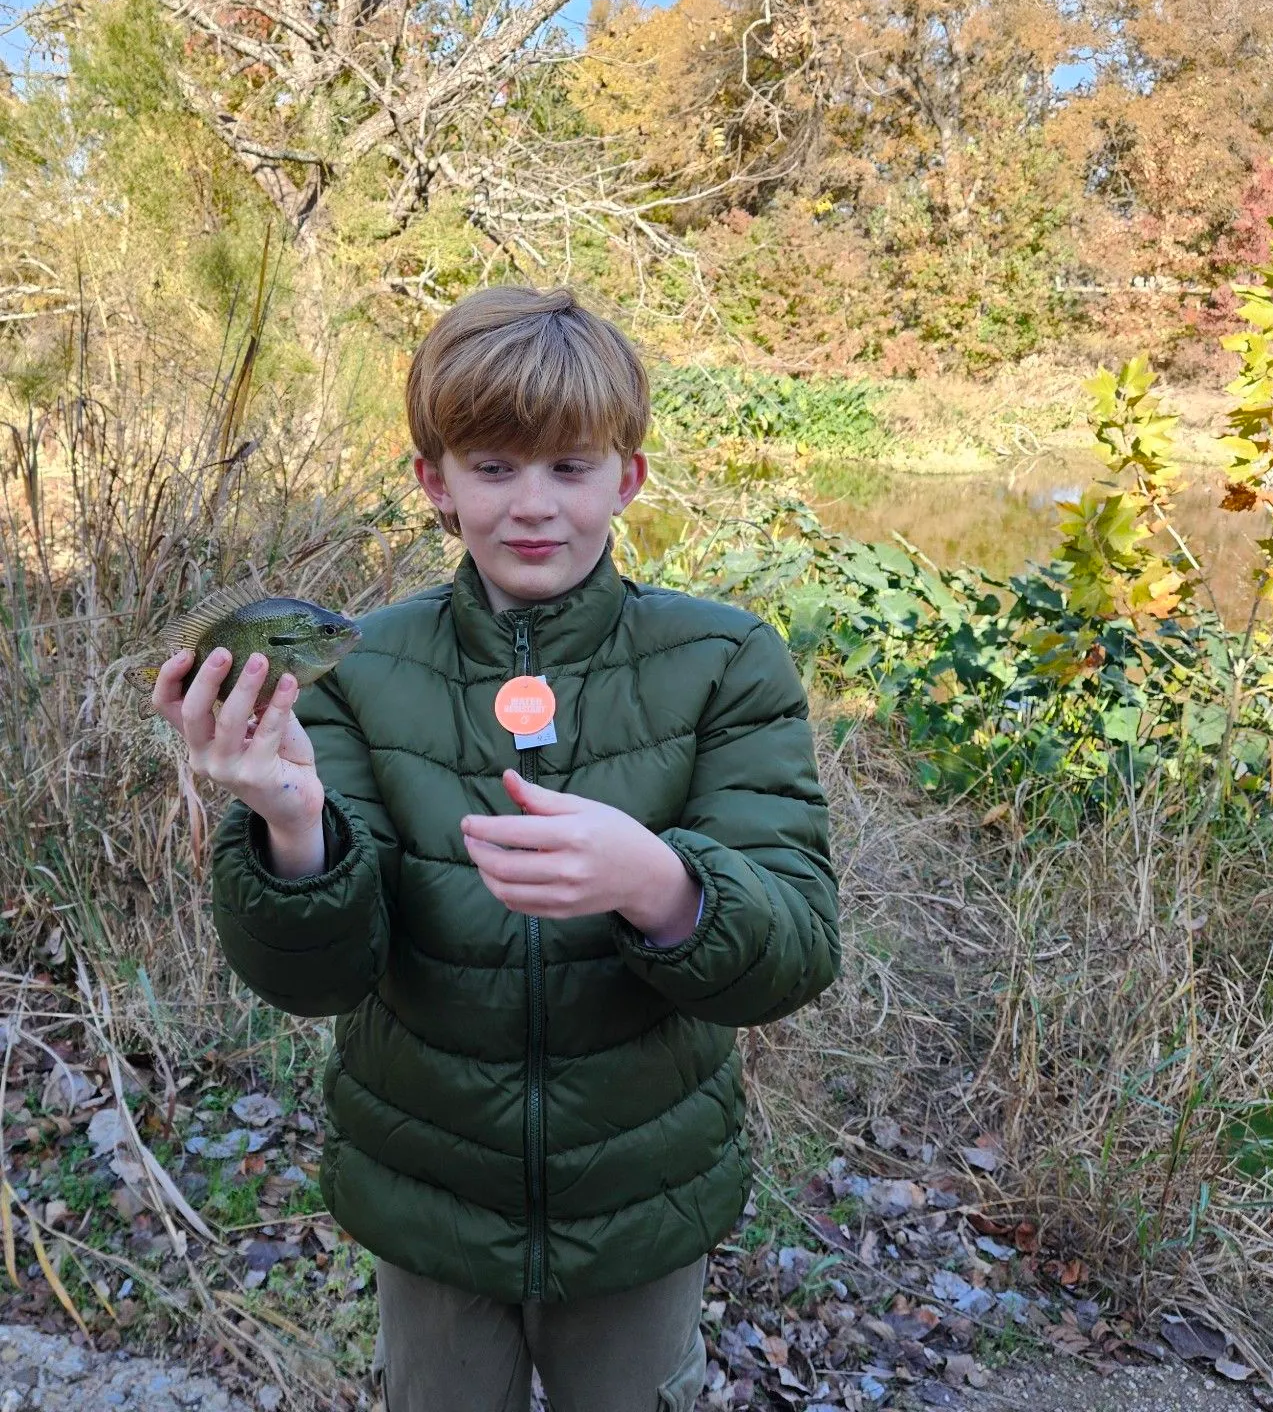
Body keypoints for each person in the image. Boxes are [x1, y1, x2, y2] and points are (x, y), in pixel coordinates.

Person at [151, 287, 842, 1412]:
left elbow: (799, 948)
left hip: (643, 1189)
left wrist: (660, 885)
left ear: (629, 477)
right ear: (435, 481)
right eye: (492, 467)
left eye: (570, 469)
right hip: (426, 1187)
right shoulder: (357, 668)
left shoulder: (726, 659)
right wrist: (289, 824)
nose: (532, 506)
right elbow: (312, 981)